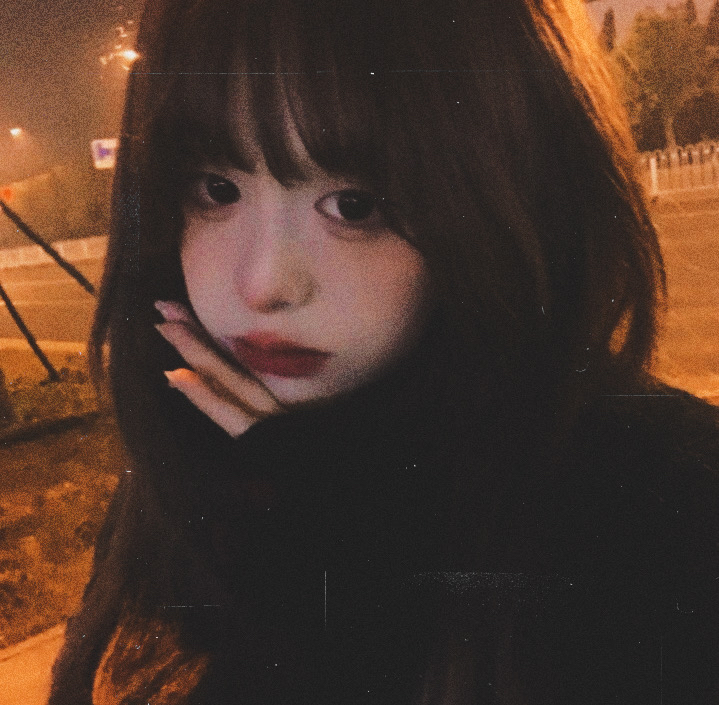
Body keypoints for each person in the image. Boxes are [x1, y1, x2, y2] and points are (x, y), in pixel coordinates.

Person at [49, 0, 719, 702]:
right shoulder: (188, 471)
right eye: (217, 190)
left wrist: (343, 565)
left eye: (354, 205)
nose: (263, 284)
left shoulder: (657, 514)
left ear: (511, 190)